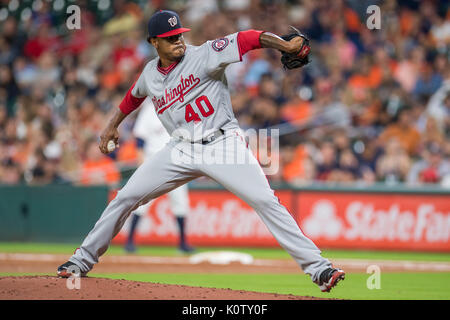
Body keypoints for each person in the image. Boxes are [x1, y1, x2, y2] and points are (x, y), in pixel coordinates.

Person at [57, 10, 345, 293]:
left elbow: (247, 38)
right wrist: (111, 126)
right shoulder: (149, 73)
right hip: (180, 148)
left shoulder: (204, 54)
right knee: (126, 197)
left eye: (179, 35)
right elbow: (134, 95)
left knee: (265, 201)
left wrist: (284, 45)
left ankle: (318, 268)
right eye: (170, 39)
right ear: (154, 42)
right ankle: (81, 261)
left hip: (222, 143)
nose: (178, 41)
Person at [124, 97, 195, 254]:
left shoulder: (179, 106)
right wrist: (141, 162)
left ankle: (183, 243)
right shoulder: (150, 109)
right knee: (142, 202)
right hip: (153, 162)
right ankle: (129, 241)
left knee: (180, 202)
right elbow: (140, 139)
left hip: (176, 162)